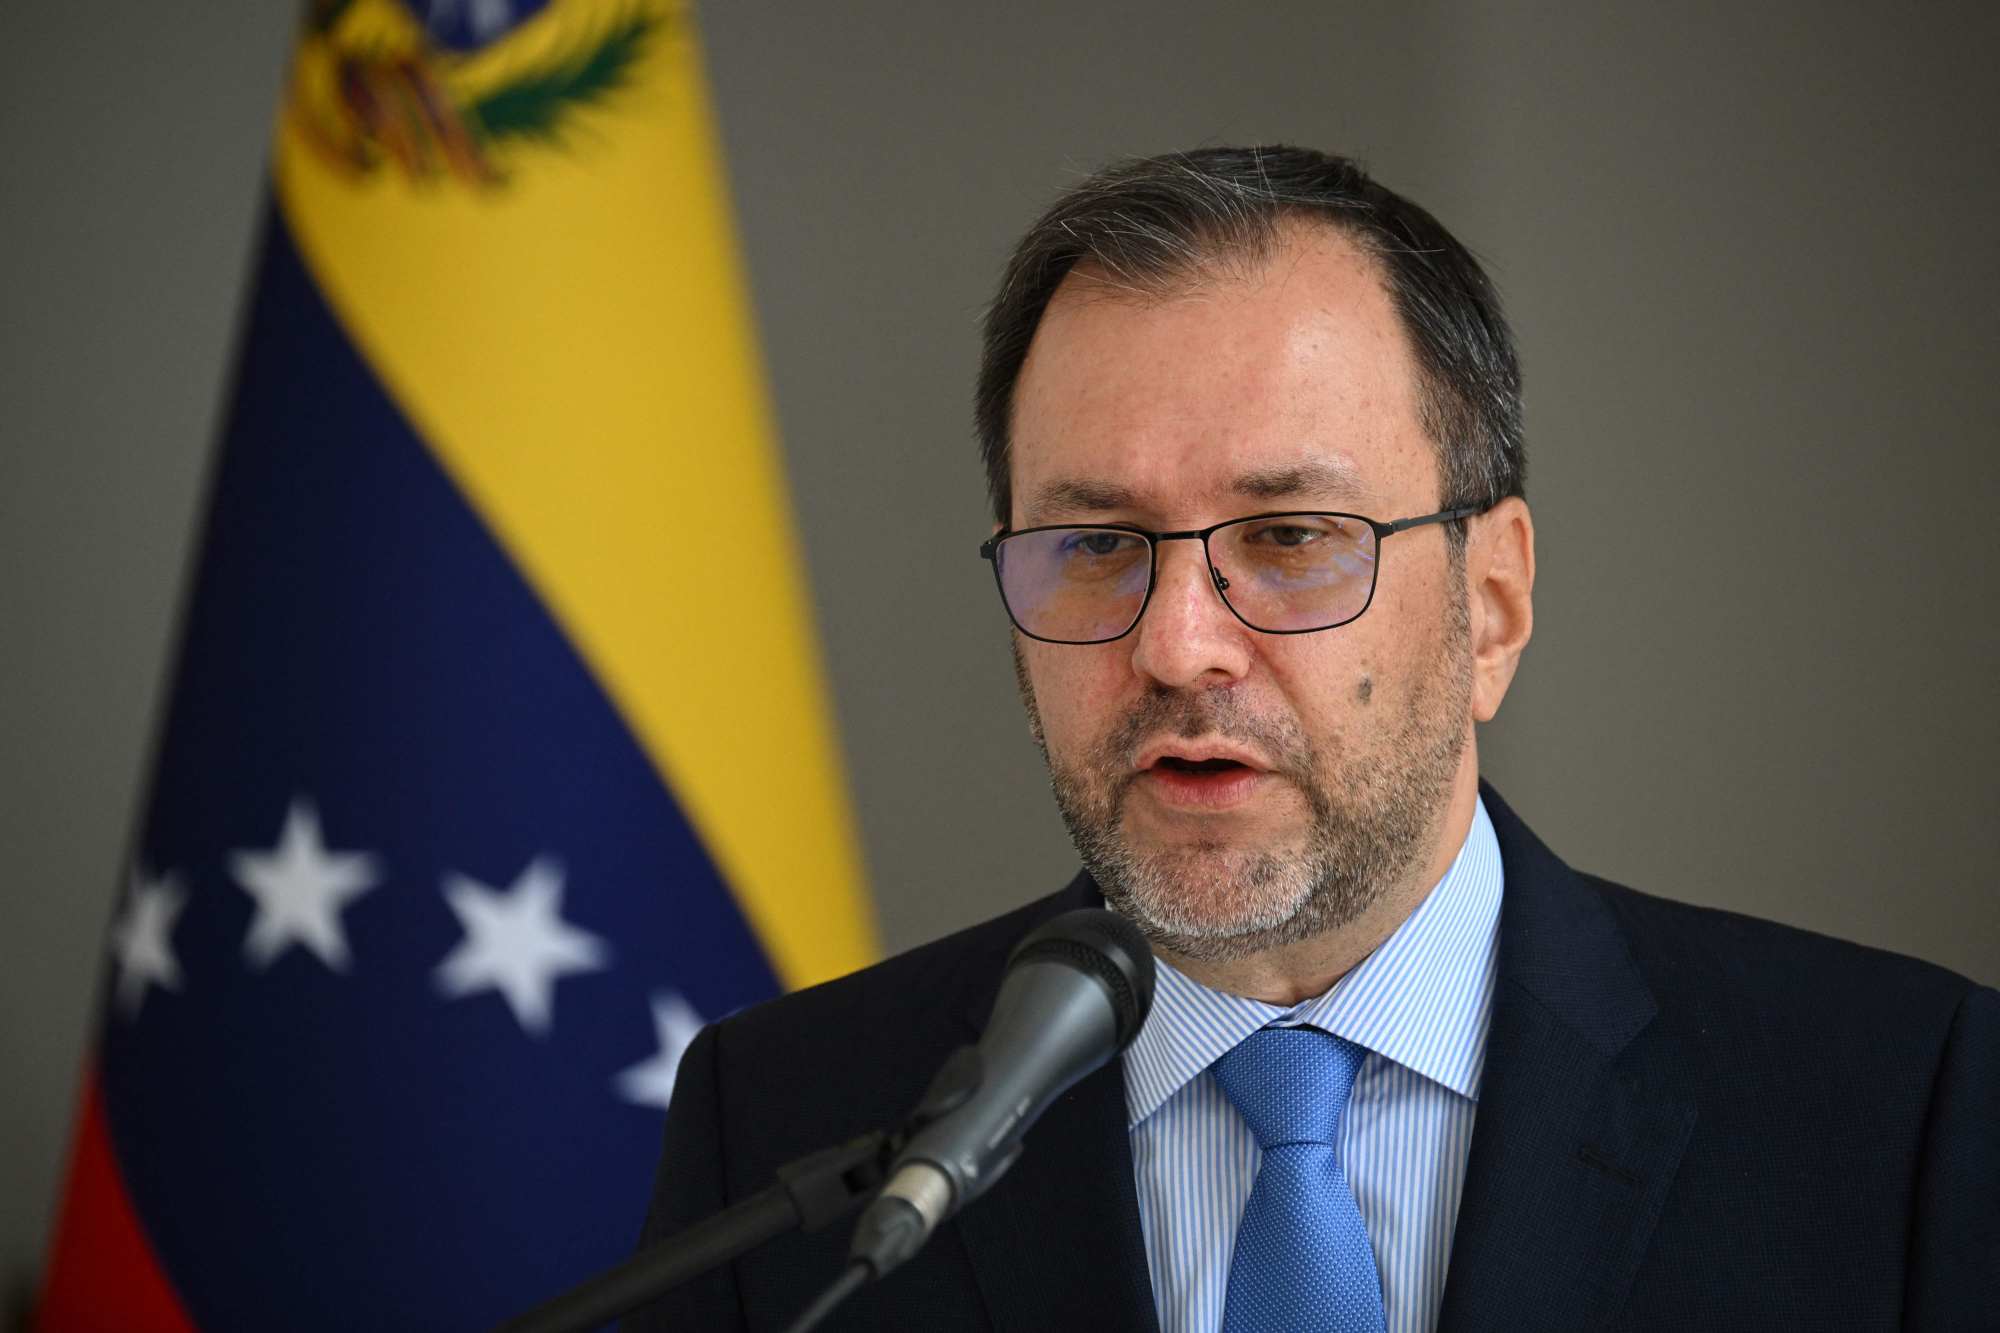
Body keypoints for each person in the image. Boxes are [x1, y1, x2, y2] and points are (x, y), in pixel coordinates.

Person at [628, 147, 1996, 1332]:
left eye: (1289, 539)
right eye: (1095, 545)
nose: (1176, 644)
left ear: (1495, 601)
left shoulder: (1901, 1106)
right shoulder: (787, 1131)